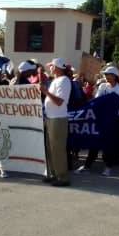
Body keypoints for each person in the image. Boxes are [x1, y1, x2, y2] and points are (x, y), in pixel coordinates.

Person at [77, 65, 119, 176]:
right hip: (101, 118)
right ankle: (87, 166)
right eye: (105, 75)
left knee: (109, 144)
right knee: (95, 142)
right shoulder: (103, 86)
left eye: (108, 75)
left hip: (114, 120)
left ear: (115, 76)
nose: (106, 77)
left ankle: (108, 167)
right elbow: (98, 100)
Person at [41, 58, 72, 187]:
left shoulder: (64, 81)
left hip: (58, 118)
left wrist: (45, 91)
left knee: (57, 149)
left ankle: (62, 177)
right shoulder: (56, 80)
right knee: (49, 148)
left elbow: (59, 102)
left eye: (52, 66)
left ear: (58, 68)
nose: (50, 68)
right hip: (50, 117)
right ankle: (53, 173)